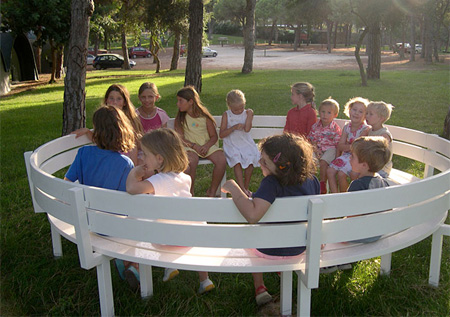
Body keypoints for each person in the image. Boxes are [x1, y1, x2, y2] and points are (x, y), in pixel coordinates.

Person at [221, 133, 320, 306]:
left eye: (264, 162)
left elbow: (253, 215)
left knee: (250, 237)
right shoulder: (312, 180)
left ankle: (260, 287)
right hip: (299, 247)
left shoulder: (271, 183)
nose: (260, 164)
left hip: (271, 250)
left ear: (282, 167)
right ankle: (281, 271)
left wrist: (234, 189)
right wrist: (255, 197)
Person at [125, 128, 214, 294]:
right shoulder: (185, 178)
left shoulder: (157, 180)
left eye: (144, 154)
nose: (141, 158)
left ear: (159, 159)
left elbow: (131, 188)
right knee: (171, 219)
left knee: (156, 222)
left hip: (168, 238)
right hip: (192, 236)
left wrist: (133, 172)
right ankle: (205, 279)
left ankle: (168, 266)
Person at [64, 106, 135, 191]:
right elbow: (126, 195)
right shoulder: (125, 163)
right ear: (122, 132)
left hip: (85, 203)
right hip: (110, 203)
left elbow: (67, 180)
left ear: (96, 130)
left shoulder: (84, 152)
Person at [174, 86, 226, 197]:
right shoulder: (181, 118)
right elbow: (180, 138)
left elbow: (213, 136)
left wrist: (206, 146)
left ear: (191, 101)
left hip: (206, 145)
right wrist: (194, 146)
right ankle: (190, 192)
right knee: (191, 161)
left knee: (221, 160)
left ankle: (212, 191)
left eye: (180, 101)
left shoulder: (204, 116)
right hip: (189, 146)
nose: (178, 104)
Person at [72, 84, 143, 165]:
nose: (114, 102)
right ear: (106, 100)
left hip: (127, 158)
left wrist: (133, 170)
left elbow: (134, 146)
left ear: (125, 102)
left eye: (119, 99)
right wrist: (88, 132)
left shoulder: (130, 119)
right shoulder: (102, 118)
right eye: (111, 98)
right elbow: (101, 140)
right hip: (109, 159)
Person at [348, 136, 391, 243]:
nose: (349, 158)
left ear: (364, 165)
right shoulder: (383, 182)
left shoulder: (357, 185)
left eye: (352, 156)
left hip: (361, 234)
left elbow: (351, 216)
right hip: (379, 232)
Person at [219, 89, 259, 197]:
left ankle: (245, 187)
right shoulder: (226, 115)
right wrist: (233, 128)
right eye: (236, 110)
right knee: (237, 161)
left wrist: (250, 117)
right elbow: (221, 135)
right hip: (231, 143)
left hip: (244, 142)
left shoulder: (246, 113)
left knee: (250, 159)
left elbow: (247, 130)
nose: (239, 111)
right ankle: (241, 188)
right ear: (229, 106)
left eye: (241, 108)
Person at [327, 97, 370, 193]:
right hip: (346, 156)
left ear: (365, 115)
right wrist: (350, 147)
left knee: (341, 174)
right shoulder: (347, 127)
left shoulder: (365, 129)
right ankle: (335, 195)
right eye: (354, 110)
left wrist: (348, 147)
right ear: (349, 111)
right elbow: (340, 145)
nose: (356, 113)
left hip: (357, 158)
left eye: (360, 111)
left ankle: (345, 197)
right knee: (330, 171)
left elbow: (358, 148)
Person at [308, 98, 342, 194]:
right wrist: (316, 150)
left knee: (323, 162)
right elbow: (312, 140)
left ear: (335, 115)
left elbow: (337, 144)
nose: (325, 115)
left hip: (330, 149)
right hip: (317, 148)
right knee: (310, 160)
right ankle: (311, 183)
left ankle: (322, 184)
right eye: (322, 112)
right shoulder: (315, 126)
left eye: (328, 113)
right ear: (319, 112)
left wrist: (337, 158)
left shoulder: (335, 128)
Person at [366, 101, 394, 178]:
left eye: (371, 114)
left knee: (363, 176)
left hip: (382, 168)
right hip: (372, 165)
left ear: (381, 118)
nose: (367, 116)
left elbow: (381, 155)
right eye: (367, 113)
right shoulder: (370, 131)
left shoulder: (384, 134)